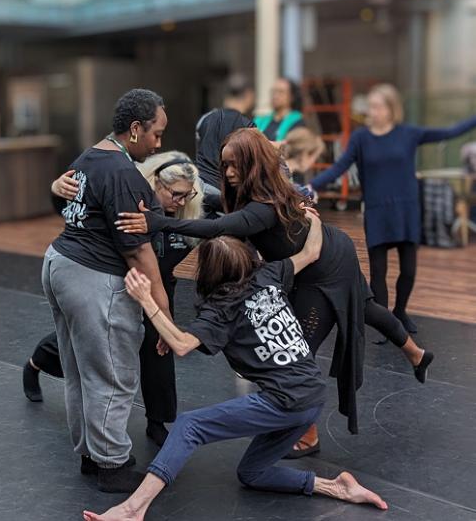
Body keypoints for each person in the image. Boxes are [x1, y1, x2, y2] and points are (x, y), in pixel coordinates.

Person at [142, 128, 434, 457]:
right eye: (225, 166)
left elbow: (217, 228)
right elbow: (238, 194)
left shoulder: (263, 207)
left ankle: (307, 437)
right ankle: (417, 354)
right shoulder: (270, 184)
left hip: (322, 268)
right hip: (335, 249)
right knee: (365, 308)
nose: (229, 173)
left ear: (252, 163)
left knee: (294, 351)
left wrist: (158, 223)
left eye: (235, 165)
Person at [83, 214, 389, 521]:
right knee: (252, 473)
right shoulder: (270, 274)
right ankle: (336, 487)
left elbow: (182, 345)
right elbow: (311, 251)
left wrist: (146, 300)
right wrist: (313, 217)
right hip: (311, 398)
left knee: (190, 426)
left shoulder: (221, 309)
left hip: (287, 400)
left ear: (209, 273)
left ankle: (133, 509)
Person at [25, 152, 205, 447]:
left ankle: (157, 421)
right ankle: (33, 366)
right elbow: (75, 208)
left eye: (188, 195)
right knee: (78, 344)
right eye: (176, 194)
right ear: (155, 183)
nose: (181, 202)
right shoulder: (127, 201)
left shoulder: (186, 210)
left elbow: (227, 215)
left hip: (159, 292)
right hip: (124, 287)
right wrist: (55, 189)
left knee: (158, 352)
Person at [42, 88, 170, 493]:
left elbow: (69, 209)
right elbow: (138, 250)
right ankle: (112, 466)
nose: (159, 143)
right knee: (112, 374)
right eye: (156, 134)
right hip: (92, 277)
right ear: (135, 129)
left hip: (60, 264)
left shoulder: (88, 157)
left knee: (81, 370)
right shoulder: (121, 172)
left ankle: (92, 454)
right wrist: (161, 311)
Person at [310, 84, 476, 334]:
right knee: (378, 271)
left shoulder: (408, 133)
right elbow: (340, 167)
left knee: (409, 270)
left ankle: (400, 311)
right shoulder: (360, 138)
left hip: (407, 211)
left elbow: (449, 132)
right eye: (370, 106)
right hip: (377, 211)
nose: (371, 111)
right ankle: (384, 320)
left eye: (377, 106)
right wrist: (313, 185)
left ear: (391, 109)